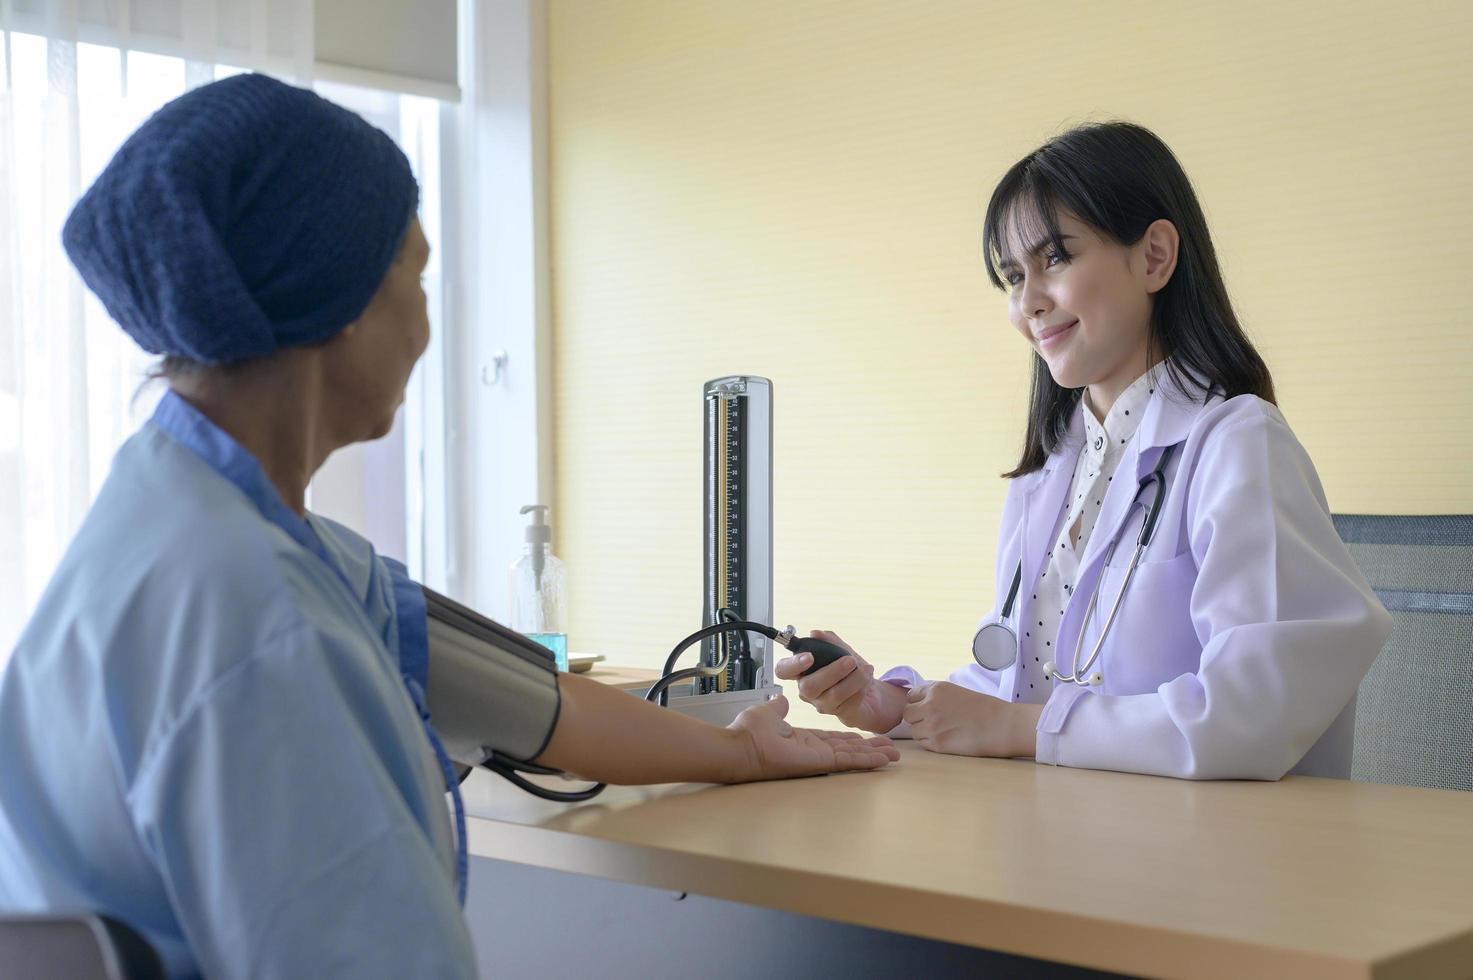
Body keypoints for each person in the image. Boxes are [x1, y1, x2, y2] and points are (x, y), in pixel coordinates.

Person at [0, 73, 897, 979]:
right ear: (341, 300)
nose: (428, 322)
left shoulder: (188, 520)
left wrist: (738, 752)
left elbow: (526, 699)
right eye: (416, 274)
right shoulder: (260, 623)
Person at [778, 121, 1391, 781]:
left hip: (1213, 852)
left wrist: (1025, 728)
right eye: (1013, 276)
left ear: (1154, 256)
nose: (1028, 302)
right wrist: (886, 705)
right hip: (1069, 829)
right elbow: (1020, 683)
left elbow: (1250, 716)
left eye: (1056, 258)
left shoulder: (1239, 445)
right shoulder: (1049, 472)